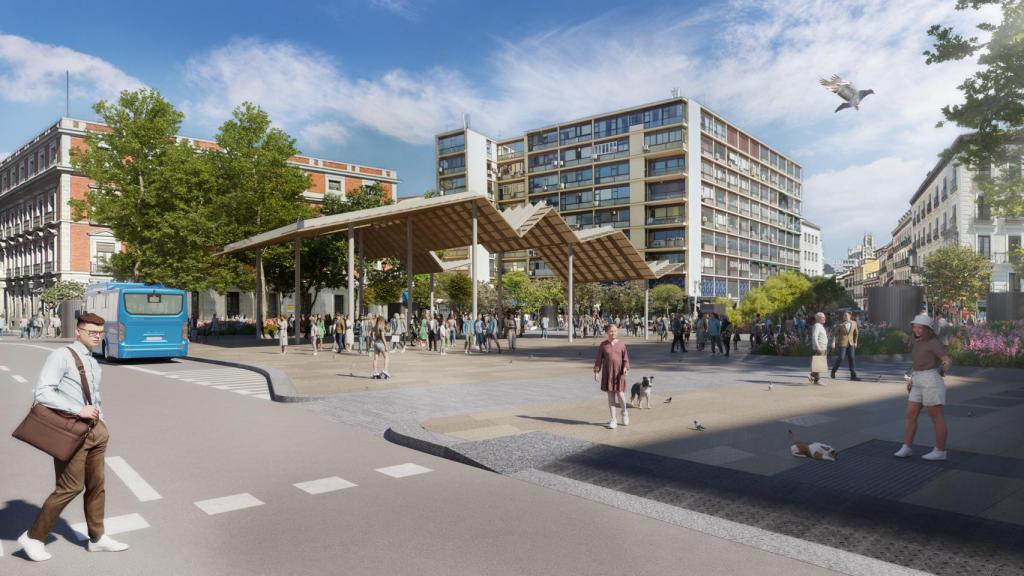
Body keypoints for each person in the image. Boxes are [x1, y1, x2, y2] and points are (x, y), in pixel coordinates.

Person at [18, 312, 130, 561]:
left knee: (97, 487)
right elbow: (44, 392)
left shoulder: (92, 359)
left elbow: (94, 395)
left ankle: (97, 538)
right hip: (71, 431)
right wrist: (78, 409)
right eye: (91, 332)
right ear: (78, 331)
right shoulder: (61, 356)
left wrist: (102, 422)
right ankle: (33, 537)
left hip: (95, 431)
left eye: (100, 333)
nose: (96, 336)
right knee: (70, 487)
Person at [895, 315, 953, 461]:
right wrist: (912, 379)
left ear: (928, 329)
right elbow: (916, 363)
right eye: (915, 327)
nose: (917, 330)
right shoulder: (917, 342)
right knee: (910, 415)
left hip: (931, 380)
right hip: (917, 379)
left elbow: (945, 358)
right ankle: (906, 447)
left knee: (936, 417)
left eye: (920, 328)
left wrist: (945, 365)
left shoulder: (934, 342)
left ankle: (940, 451)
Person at [594, 323, 630, 429]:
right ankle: (613, 419)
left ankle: (624, 412)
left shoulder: (622, 344)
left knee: (621, 395)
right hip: (608, 372)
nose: (613, 333)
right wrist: (596, 371)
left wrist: (625, 368)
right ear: (607, 332)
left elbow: (626, 359)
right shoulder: (603, 345)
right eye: (611, 331)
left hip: (619, 373)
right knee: (611, 396)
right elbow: (598, 360)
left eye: (614, 331)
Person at [830, 311, 861, 380]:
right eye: (844, 315)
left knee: (852, 358)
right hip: (842, 343)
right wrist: (833, 342)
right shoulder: (840, 324)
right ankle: (833, 371)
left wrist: (855, 342)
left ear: (850, 316)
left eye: (846, 315)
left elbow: (856, 333)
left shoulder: (854, 323)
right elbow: (835, 334)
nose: (844, 317)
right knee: (841, 358)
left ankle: (853, 375)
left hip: (851, 343)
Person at [808, 312, 828, 384]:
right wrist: (817, 346)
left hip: (823, 347)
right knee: (818, 364)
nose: (824, 318)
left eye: (824, 317)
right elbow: (814, 336)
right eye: (822, 317)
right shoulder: (817, 325)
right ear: (817, 318)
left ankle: (816, 380)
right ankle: (812, 375)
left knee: (819, 364)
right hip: (820, 347)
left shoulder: (820, 325)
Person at [370, 316, 391, 380]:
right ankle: (385, 370)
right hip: (381, 343)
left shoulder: (374, 327)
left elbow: (371, 334)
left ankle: (375, 372)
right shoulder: (381, 328)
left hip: (376, 343)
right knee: (386, 356)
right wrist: (386, 345)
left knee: (375, 358)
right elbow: (383, 337)